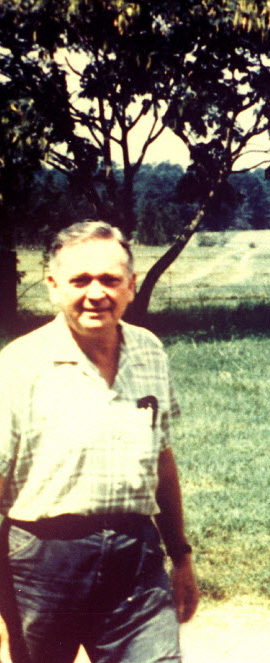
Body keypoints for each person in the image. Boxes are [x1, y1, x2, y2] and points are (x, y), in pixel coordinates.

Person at [0, 221, 199, 663]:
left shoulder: (149, 351)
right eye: (80, 280)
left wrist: (180, 556)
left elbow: (162, 461)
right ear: (53, 286)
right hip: (42, 559)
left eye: (110, 280)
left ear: (130, 285)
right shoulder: (18, 365)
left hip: (137, 556)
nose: (96, 293)